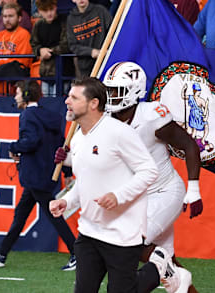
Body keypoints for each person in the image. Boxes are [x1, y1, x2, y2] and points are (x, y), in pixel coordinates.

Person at [49, 77, 159, 293]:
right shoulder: (78, 138)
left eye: (74, 97)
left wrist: (118, 196)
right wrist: (66, 200)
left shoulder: (119, 132)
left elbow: (149, 171)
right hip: (89, 231)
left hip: (122, 234)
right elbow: (85, 181)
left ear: (93, 104)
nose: (66, 101)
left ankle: (157, 269)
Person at [102, 62, 204, 292]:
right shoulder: (106, 121)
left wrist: (194, 189)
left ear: (134, 91)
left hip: (164, 192)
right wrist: (68, 157)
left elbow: (189, 146)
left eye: (116, 91)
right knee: (170, 271)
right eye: (108, 90)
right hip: (137, 199)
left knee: (128, 242)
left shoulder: (150, 117)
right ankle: (179, 277)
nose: (110, 96)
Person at [0, 80, 77, 271]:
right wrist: (65, 171)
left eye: (17, 93)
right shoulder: (51, 116)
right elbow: (61, 145)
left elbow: (30, 141)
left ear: (25, 95)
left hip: (34, 175)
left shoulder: (28, 115)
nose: (15, 96)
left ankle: (76, 254)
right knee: (21, 215)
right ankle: (1, 253)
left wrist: (13, 147)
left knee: (52, 214)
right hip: (46, 174)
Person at [66, 0, 112, 78]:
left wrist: (107, 49)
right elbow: (72, 45)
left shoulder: (101, 11)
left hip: (105, 60)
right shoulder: (71, 19)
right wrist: (91, 52)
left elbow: (113, 31)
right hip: (84, 66)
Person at [30, 0, 70, 97]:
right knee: (46, 102)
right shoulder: (38, 25)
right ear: (39, 11)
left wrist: (50, 52)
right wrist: (40, 50)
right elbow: (33, 43)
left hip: (63, 70)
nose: (49, 13)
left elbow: (67, 44)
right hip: (45, 73)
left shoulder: (64, 22)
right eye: (45, 10)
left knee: (59, 102)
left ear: (55, 7)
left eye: (51, 9)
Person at [0, 3, 33, 76]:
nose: (7, 20)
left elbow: (22, 62)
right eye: (5, 16)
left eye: (11, 16)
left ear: (19, 18)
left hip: (15, 75)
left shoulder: (24, 34)